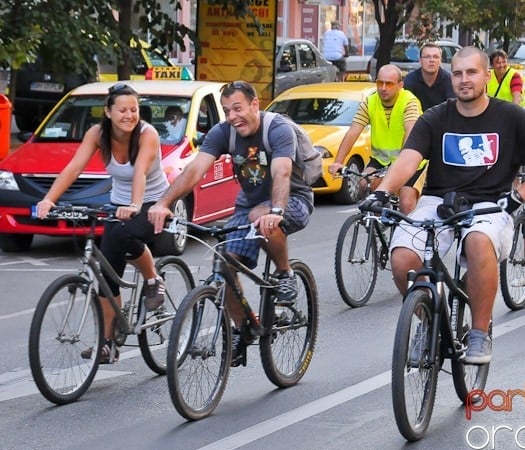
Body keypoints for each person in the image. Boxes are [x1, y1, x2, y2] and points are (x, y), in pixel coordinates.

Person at [360, 47, 525, 364]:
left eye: (471, 72)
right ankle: (427, 323)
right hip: (437, 201)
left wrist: (519, 196)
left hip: (491, 205)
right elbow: (409, 159)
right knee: (402, 258)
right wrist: (383, 190)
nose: (464, 80)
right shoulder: (436, 117)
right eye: (457, 73)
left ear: (486, 75)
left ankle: (479, 333)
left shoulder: (510, 117)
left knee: (477, 242)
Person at [148, 80, 314, 365]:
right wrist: (164, 203)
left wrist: (275, 209)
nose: (232, 116)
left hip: (291, 200)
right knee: (224, 261)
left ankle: (285, 274)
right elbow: (195, 170)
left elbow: (283, 171)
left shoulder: (278, 129)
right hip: (248, 204)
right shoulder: (223, 133)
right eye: (227, 111)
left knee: (262, 218)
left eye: (238, 108)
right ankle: (242, 328)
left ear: (255, 104)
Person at [35, 83, 168, 363]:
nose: (129, 115)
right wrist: (49, 200)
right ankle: (108, 344)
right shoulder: (97, 134)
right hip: (119, 203)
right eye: (122, 110)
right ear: (108, 112)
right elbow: (74, 167)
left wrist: (134, 206)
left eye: (134, 109)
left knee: (126, 235)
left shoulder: (147, 134)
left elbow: (140, 173)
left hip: (152, 202)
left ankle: (153, 279)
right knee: (107, 277)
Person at [328, 64, 424, 213]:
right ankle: (376, 224)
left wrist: (400, 164)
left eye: (389, 84)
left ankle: (408, 233)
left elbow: (410, 132)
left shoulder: (409, 102)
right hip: (381, 160)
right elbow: (353, 132)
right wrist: (338, 162)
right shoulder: (370, 101)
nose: (383, 88)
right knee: (363, 183)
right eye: (380, 83)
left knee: (406, 204)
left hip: (409, 160)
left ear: (400, 85)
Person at [402, 42, 456, 110]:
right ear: (420, 60)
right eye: (427, 57)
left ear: (440, 61)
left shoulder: (449, 80)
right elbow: (405, 106)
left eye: (436, 57)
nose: (431, 60)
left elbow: (453, 108)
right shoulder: (410, 80)